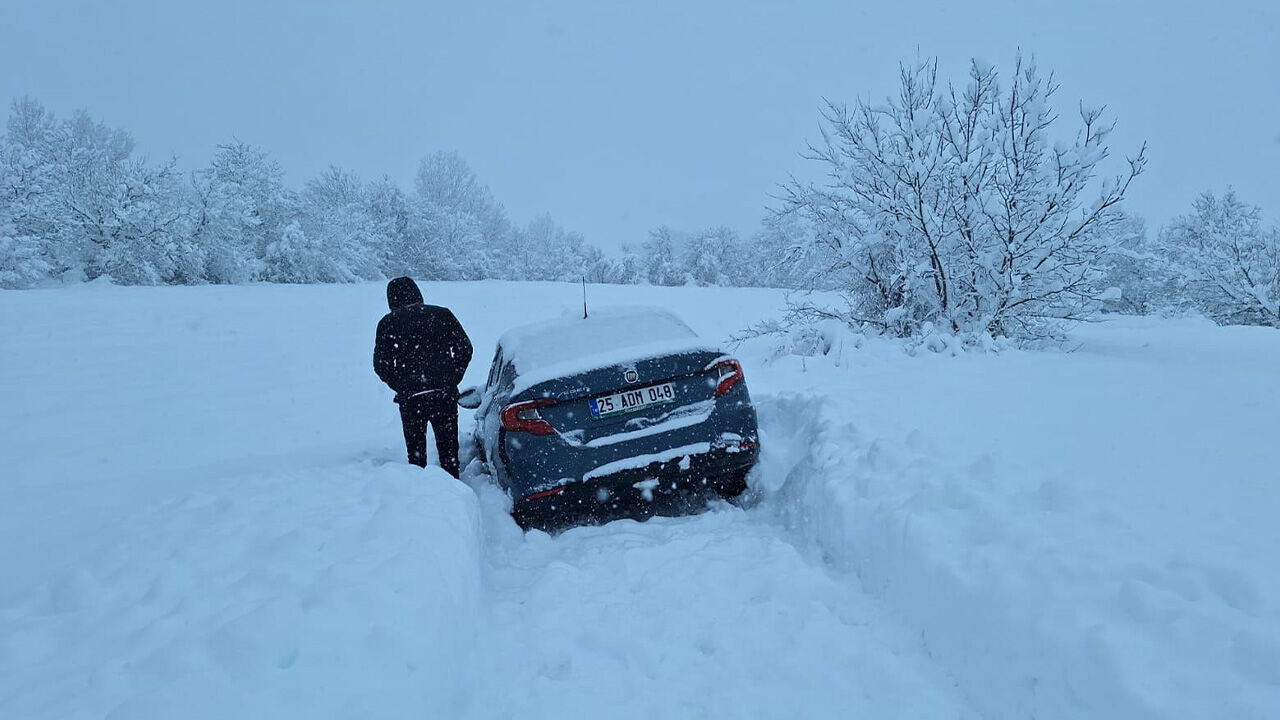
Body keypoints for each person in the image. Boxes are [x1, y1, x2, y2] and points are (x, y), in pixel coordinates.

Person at [373, 277, 473, 477]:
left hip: (411, 400)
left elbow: (381, 365)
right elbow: (465, 349)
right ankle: (453, 492)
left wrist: (402, 386)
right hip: (443, 395)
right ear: (417, 293)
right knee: (449, 452)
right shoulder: (442, 315)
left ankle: (420, 495)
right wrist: (452, 378)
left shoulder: (388, 323)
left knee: (416, 458)